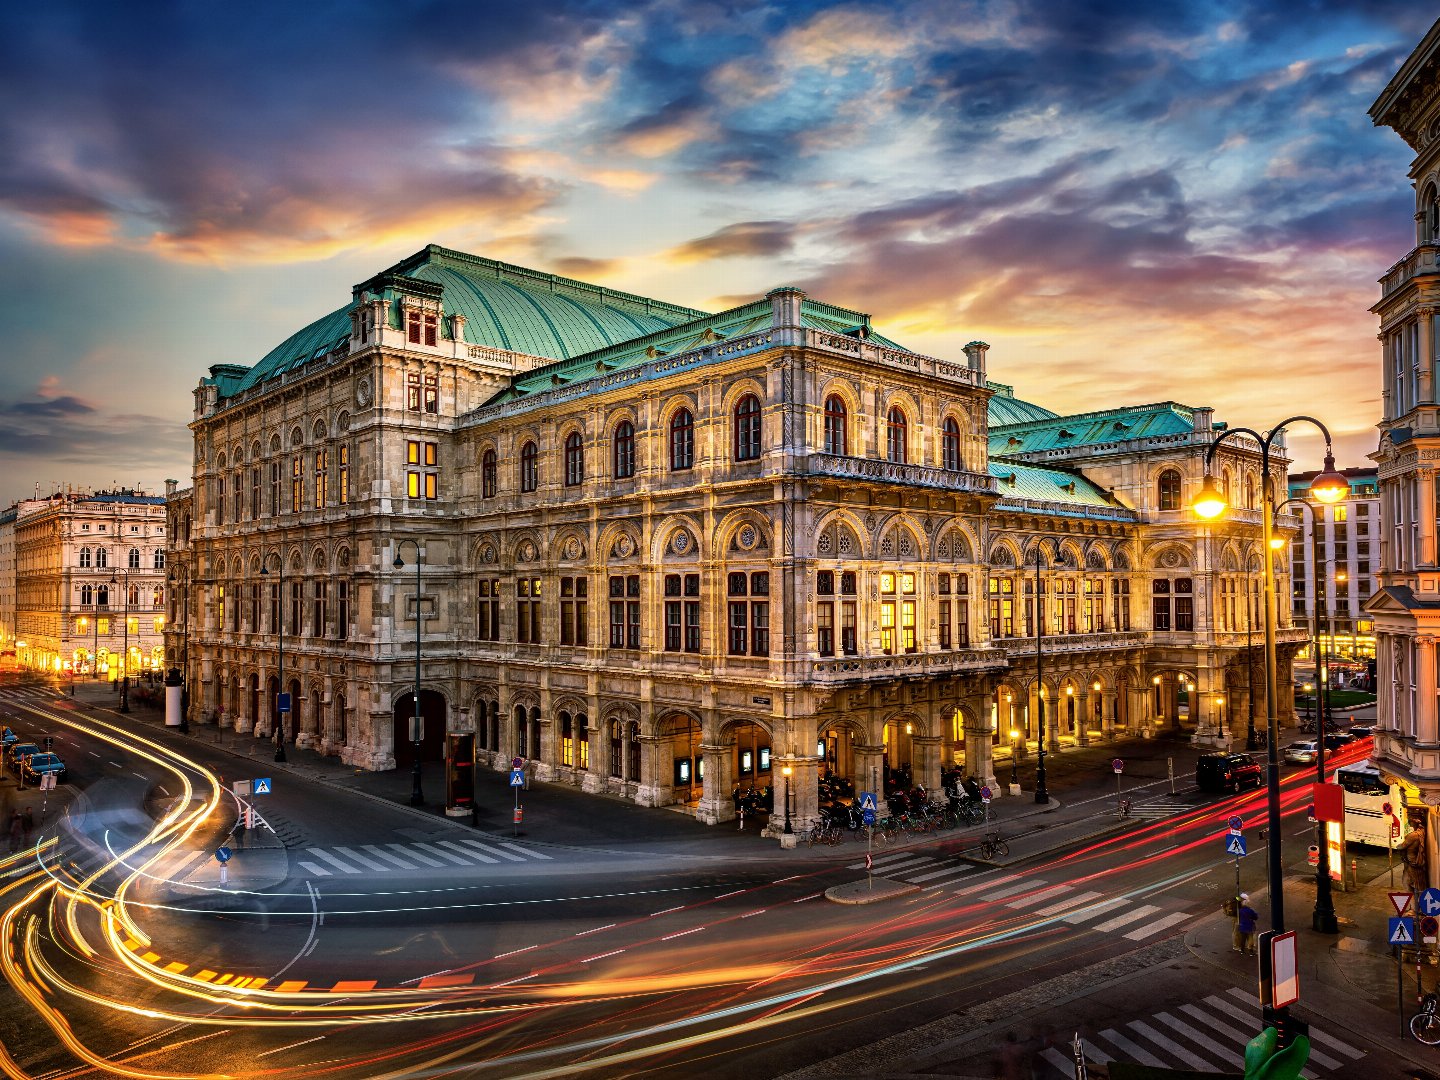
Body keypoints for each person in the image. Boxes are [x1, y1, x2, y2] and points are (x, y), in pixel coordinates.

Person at [1403, 819, 1428, 893]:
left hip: (1412, 861)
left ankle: (1415, 903)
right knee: (1414, 884)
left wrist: (1398, 846)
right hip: (1414, 861)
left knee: (1409, 884)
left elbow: (1402, 846)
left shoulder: (1413, 835)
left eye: (1410, 821)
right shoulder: (1421, 832)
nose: (1409, 822)